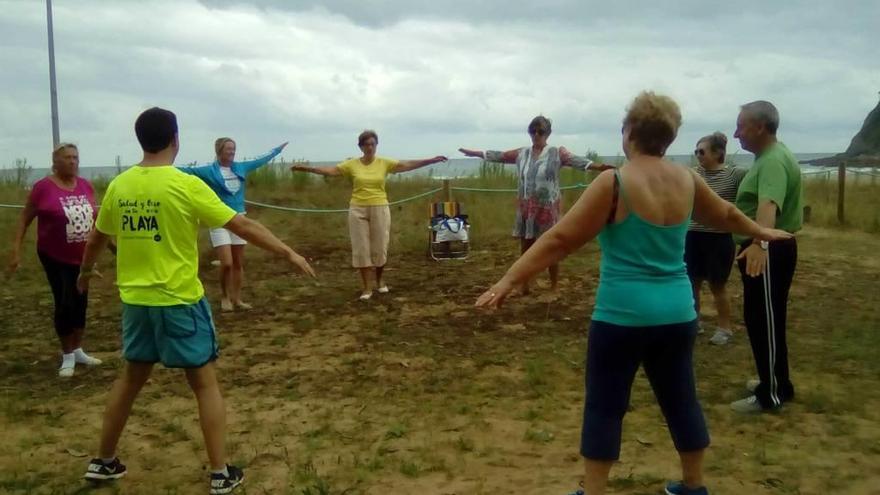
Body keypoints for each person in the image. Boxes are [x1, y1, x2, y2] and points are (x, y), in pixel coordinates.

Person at [475, 92, 791, 495]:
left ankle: (594, 491)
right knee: (681, 399)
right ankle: (694, 485)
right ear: (670, 137)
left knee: (605, 406)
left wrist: (508, 280)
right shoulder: (687, 179)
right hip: (677, 316)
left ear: (629, 133)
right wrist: (761, 231)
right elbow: (726, 215)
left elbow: (559, 240)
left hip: (621, 316)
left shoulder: (615, 181)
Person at [78, 107, 315, 494]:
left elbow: (96, 238)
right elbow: (240, 224)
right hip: (179, 302)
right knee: (204, 384)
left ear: (141, 140)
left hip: (137, 303)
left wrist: (85, 273)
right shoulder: (184, 185)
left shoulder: (120, 185)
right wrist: (288, 253)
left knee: (131, 379)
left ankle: (103, 461)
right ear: (175, 138)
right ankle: (221, 473)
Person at [459, 116, 610, 293]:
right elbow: (501, 156)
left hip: (548, 209)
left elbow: (578, 161)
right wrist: (476, 154)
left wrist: (600, 167)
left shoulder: (556, 152)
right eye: (533, 131)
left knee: (551, 246)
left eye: (541, 131)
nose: (536, 135)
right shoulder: (522, 153)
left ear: (548, 133)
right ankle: (525, 284)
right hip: (527, 209)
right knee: (526, 246)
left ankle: (554, 285)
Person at [292, 129, 447, 300]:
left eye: (373, 144)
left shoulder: (384, 163)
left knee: (380, 246)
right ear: (361, 147)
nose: (370, 147)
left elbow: (407, 165)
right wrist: (307, 169)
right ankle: (367, 287)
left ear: (376, 145)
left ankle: (380, 280)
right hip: (358, 208)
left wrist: (431, 160)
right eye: (366, 144)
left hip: (379, 207)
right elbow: (331, 171)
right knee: (361, 248)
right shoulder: (352, 164)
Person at [730, 100, 803, 413]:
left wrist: (761, 244)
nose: (736, 134)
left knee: (765, 320)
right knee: (760, 318)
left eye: (741, 126)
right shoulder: (767, 158)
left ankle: (772, 394)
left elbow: (768, 206)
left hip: (768, 248)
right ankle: (773, 380)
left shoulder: (772, 160)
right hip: (761, 245)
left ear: (760, 127)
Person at [7, 143, 101, 377]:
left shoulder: (85, 186)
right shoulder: (43, 188)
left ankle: (78, 349)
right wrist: (16, 251)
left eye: (75, 157)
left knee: (81, 301)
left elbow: (96, 219)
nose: (72, 161)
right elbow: (24, 219)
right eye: (67, 157)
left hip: (82, 256)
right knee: (65, 300)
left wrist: (110, 246)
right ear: (55, 161)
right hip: (54, 255)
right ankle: (67, 354)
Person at [181, 138, 287, 312]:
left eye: (233, 149)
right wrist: (159, 168)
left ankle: (237, 298)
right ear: (219, 151)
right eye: (228, 149)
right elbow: (186, 171)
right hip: (219, 220)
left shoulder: (240, 167)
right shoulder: (209, 170)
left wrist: (277, 150)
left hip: (240, 220)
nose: (232, 152)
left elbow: (260, 160)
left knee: (238, 262)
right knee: (227, 263)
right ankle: (224, 296)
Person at [685, 132, 747, 345]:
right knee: (692, 282)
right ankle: (694, 322)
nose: (697, 155)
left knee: (717, 284)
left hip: (719, 239)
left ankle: (724, 328)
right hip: (692, 236)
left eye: (701, 151)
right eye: (696, 151)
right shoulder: (693, 174)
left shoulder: (735, 175)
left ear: (718, 153)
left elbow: (756, 185)